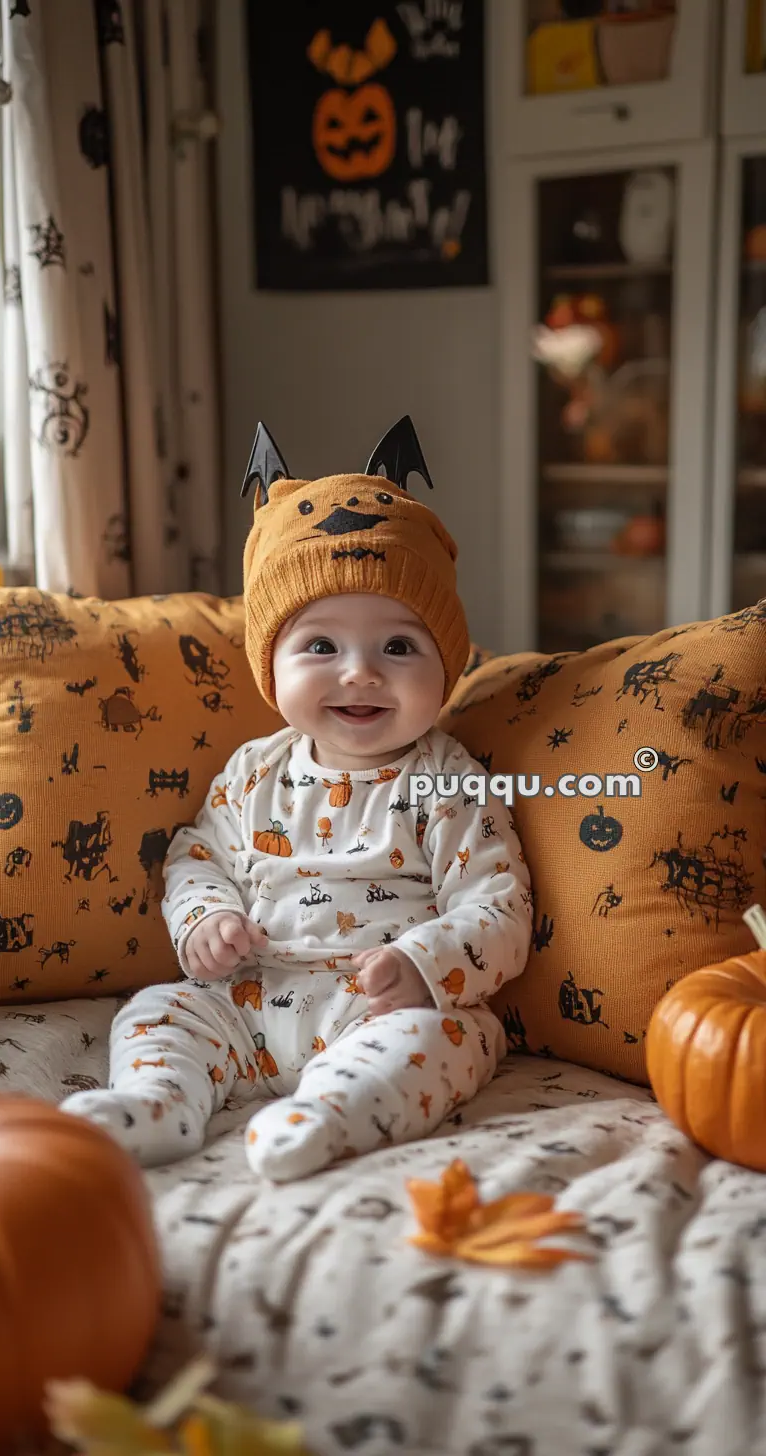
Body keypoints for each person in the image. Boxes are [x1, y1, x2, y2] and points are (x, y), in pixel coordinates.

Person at [62, 419, 532, 1181]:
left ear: (445, 668)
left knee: (450, 1042)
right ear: (269, 667)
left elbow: (499, 906)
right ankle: (158, 1103)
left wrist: (424, 964)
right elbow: (198, 854)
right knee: (156, 1009)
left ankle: (333, 1113)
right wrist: (205, 918)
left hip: (378, 1009)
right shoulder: (254, 771)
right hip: (248, 996)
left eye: (399, 647)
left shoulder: (450, 779)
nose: (359, 673)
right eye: (320, 646)